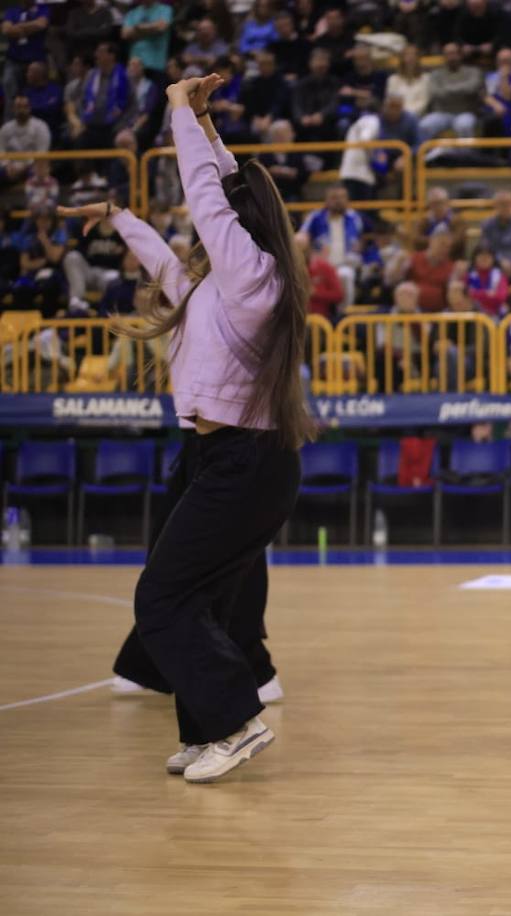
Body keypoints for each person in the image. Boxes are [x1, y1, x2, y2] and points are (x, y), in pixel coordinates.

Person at [60, 73, 309, 784]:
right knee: (197, 600)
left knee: (160, 597)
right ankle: (207, 732)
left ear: (238, 227)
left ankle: (236, 721)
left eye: (221, 222)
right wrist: (122, 211)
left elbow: (208, 196)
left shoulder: (255, 278)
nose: (205, 233)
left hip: (247, 463)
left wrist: (177, 111)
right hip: (223, 460)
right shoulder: (217, 288)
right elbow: (168, 257)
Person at [420, 43, 487, 143]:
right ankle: (426, 153)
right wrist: (461, 89)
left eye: (454, 53)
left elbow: (472, 88)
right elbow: (435, 92)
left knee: (464, 125)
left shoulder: (473, 72)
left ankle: (466, 153)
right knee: (425, 125)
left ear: (460, 55)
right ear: (443, 56)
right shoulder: (436, 74)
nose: (451, 57)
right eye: (448, 54)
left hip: (466, 112)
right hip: (442, 113)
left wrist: (446, 89)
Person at [1, 96, 50, 187]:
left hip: (31, 165)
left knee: (38, 172)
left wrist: (24, 167)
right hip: (10, 166)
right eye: (18, 107)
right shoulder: (5, 128)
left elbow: (42, 152)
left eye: (25, 107)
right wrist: (6, 165)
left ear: (29, 108)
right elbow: (1, 150)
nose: (22, 110)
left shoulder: (40, 126)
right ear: (13, 109)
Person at [122, 0, 175, 80]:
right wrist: (152, 28)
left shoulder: (165, 9)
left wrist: (138, 28)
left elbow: (161, 28)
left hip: (156, 64)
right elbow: (125, 34)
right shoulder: (133, 12)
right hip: (135, 64)